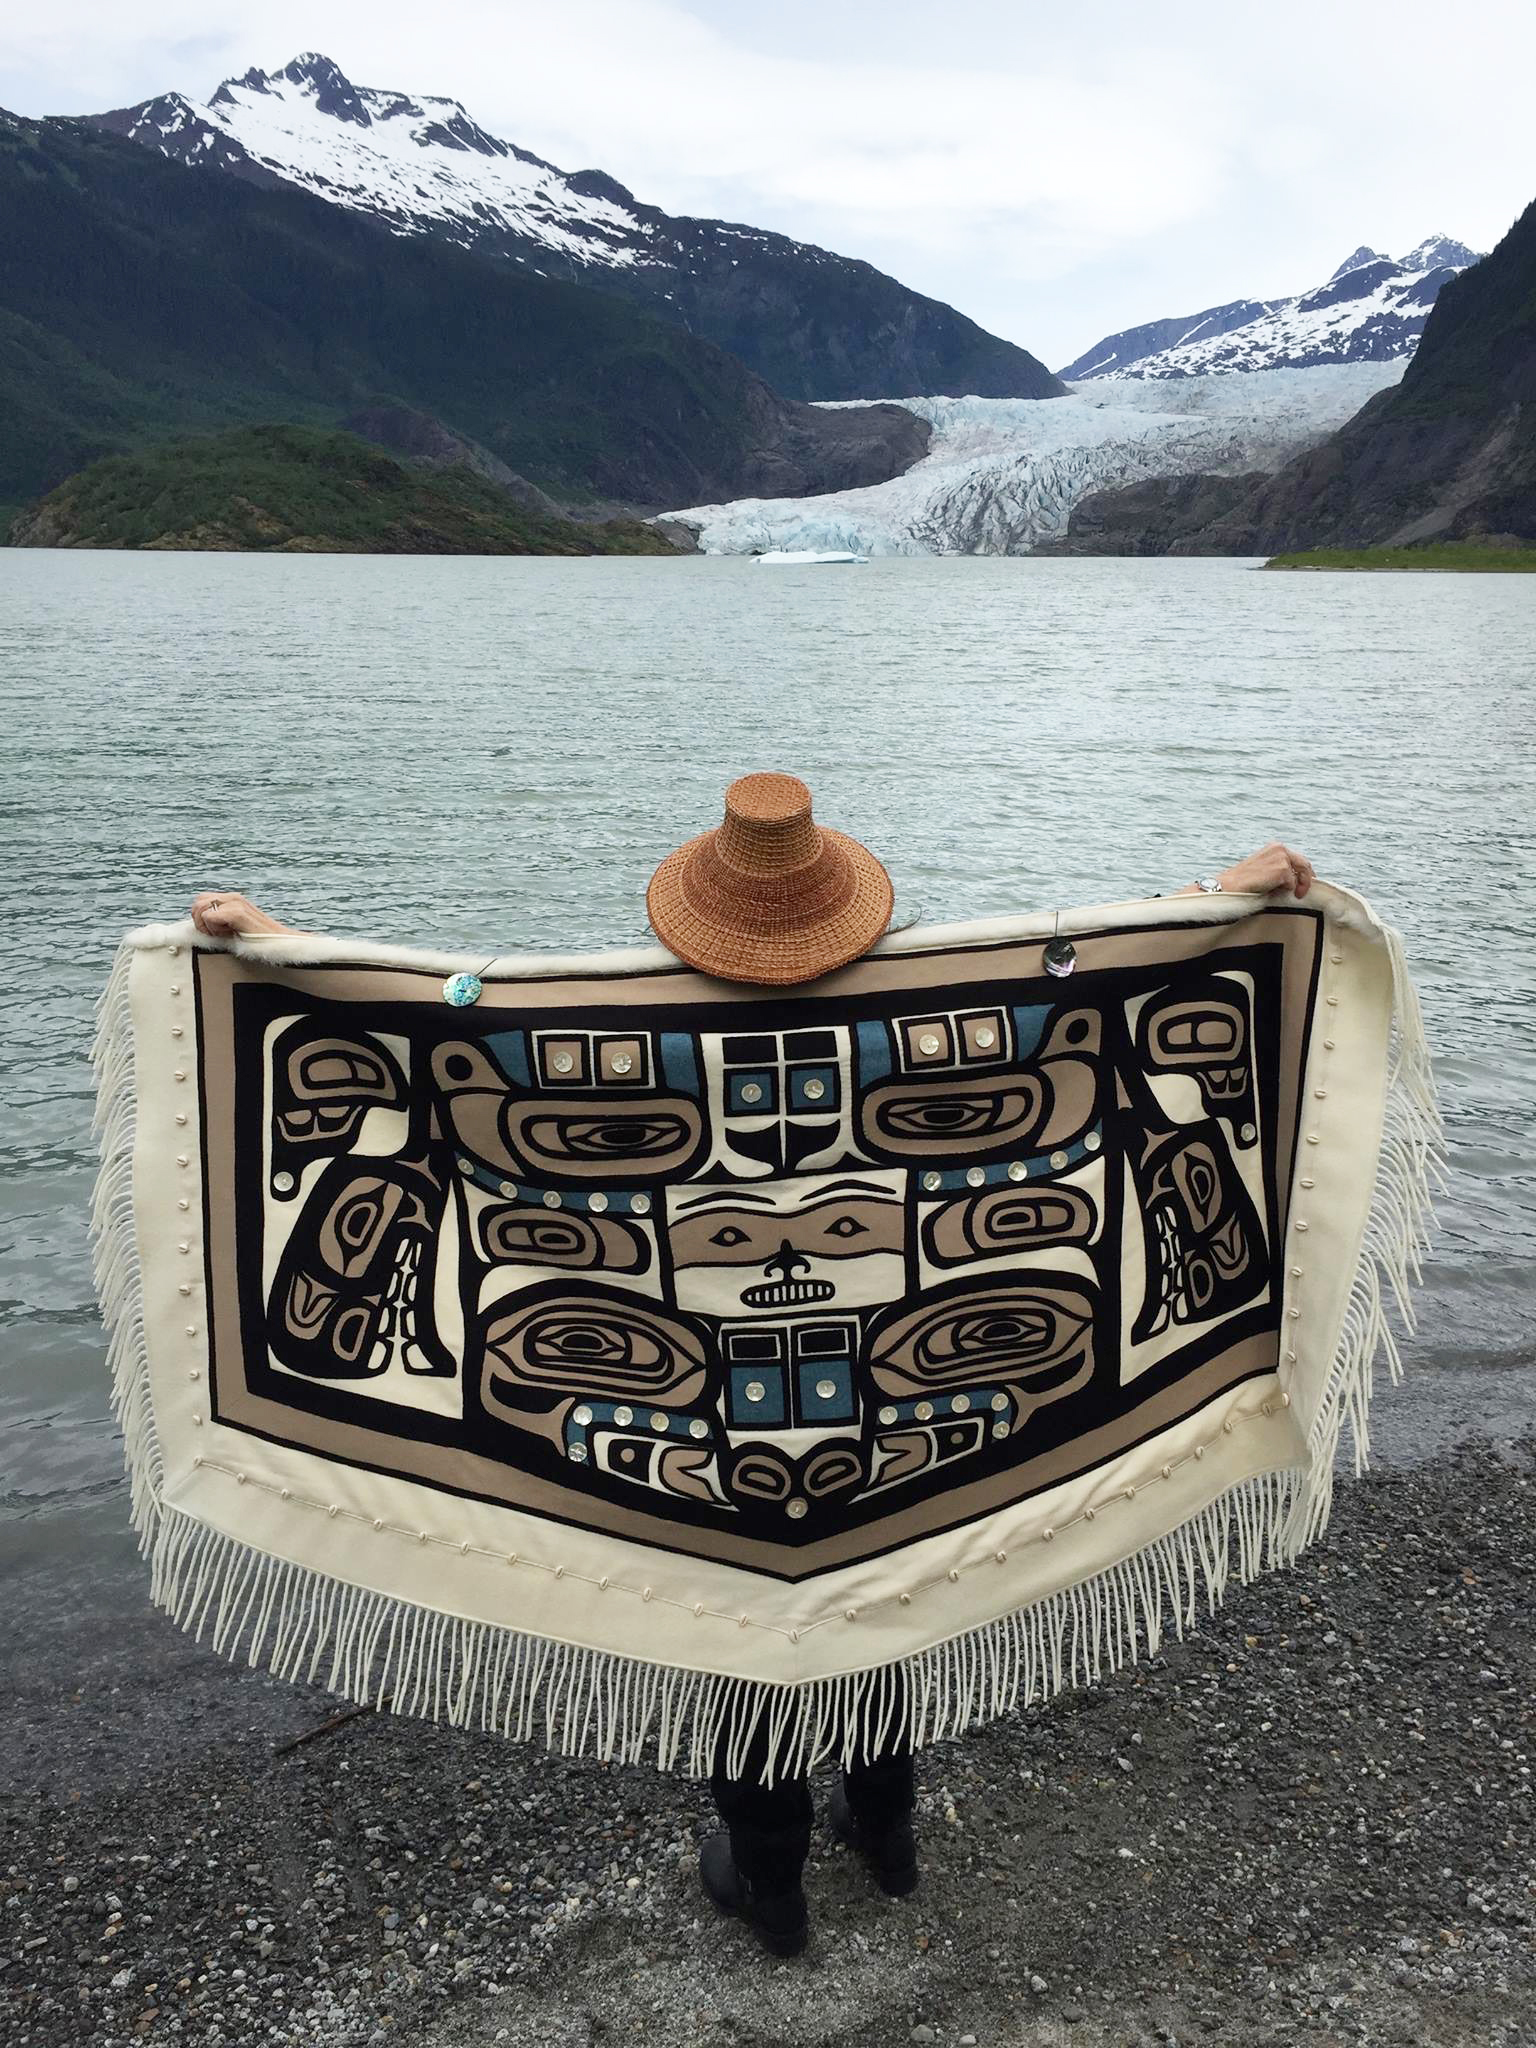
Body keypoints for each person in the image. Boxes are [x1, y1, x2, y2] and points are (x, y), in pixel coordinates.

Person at [190, 773, 1315, 1957]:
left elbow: (428, 1013)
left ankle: (770, 1880)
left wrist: (272, 945)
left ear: (691, 915)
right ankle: (887, 1835)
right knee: (889, 1587)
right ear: (856, 911)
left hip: (711, 1443)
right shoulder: (907, 1022)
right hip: (891, 1418)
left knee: (735, 1624)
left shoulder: (633, 1036)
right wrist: (1223, 893)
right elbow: (1094, 970)